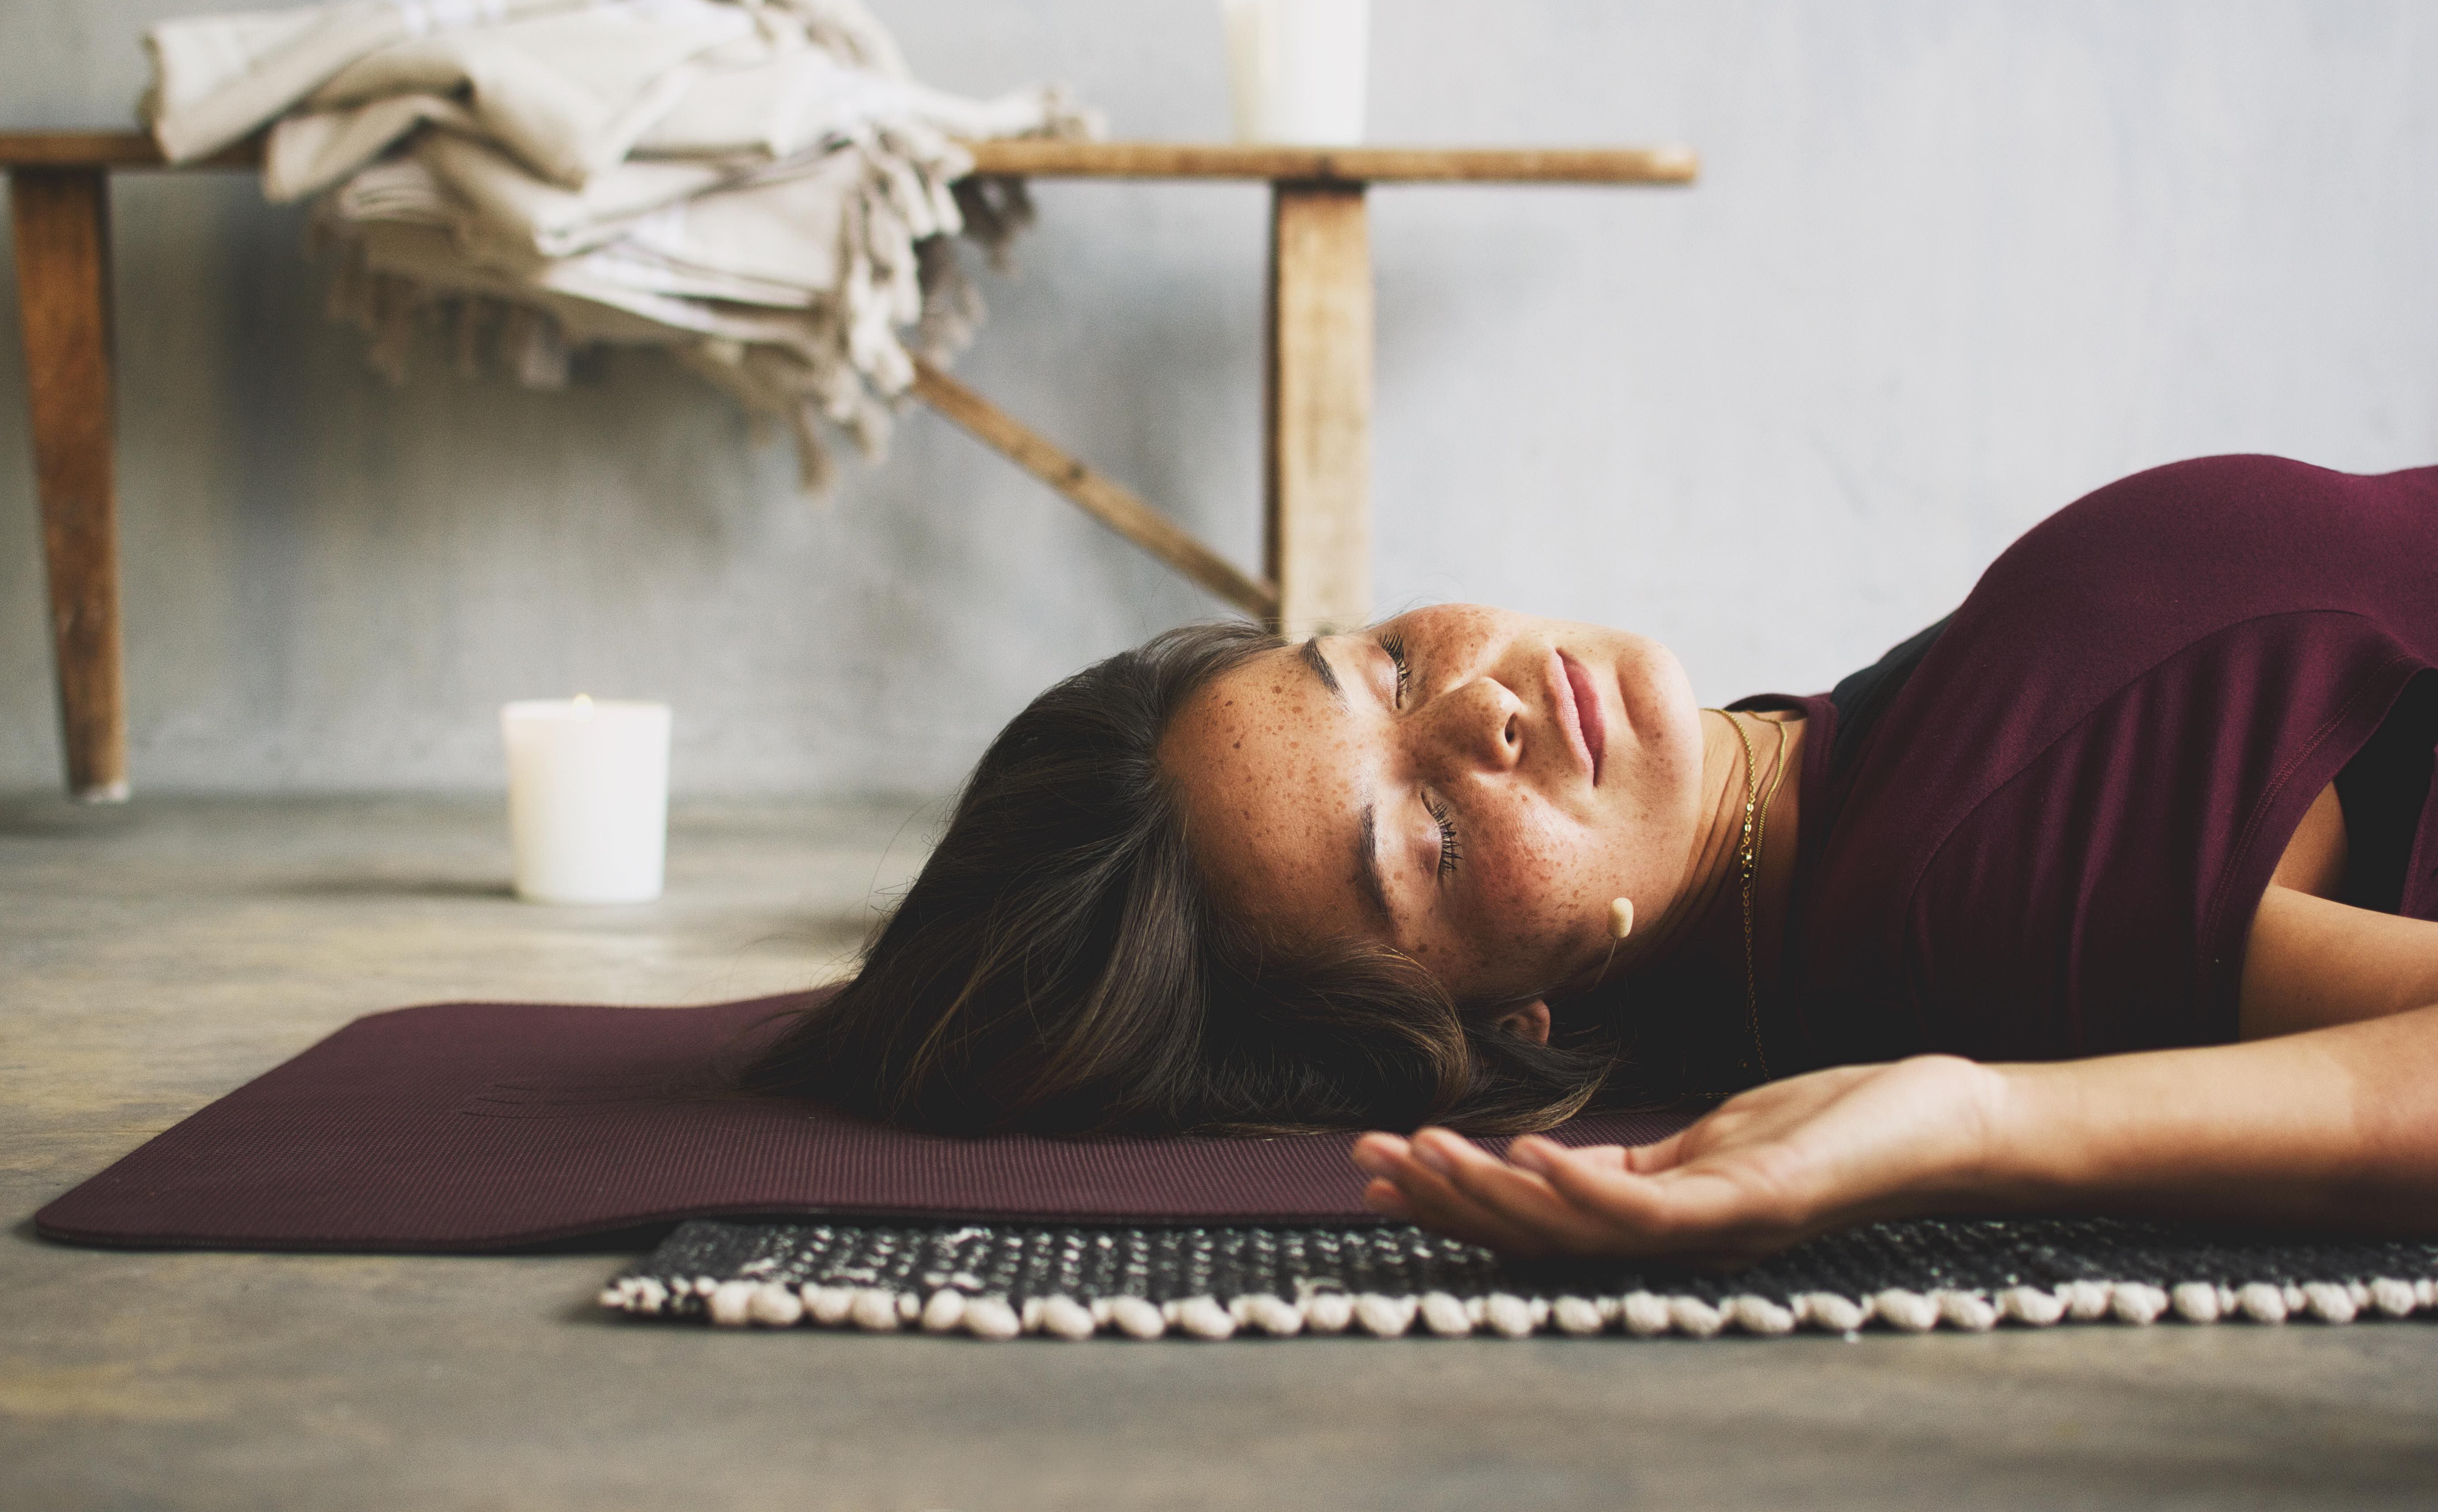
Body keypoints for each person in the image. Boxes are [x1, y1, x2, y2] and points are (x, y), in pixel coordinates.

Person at [743, 455, 2438, 1261]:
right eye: (1414, 836)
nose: (1481, 712)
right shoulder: (1966, 888)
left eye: (1389, 663)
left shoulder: (1819, 817)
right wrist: (1974, 1119)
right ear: (1500, 1032)